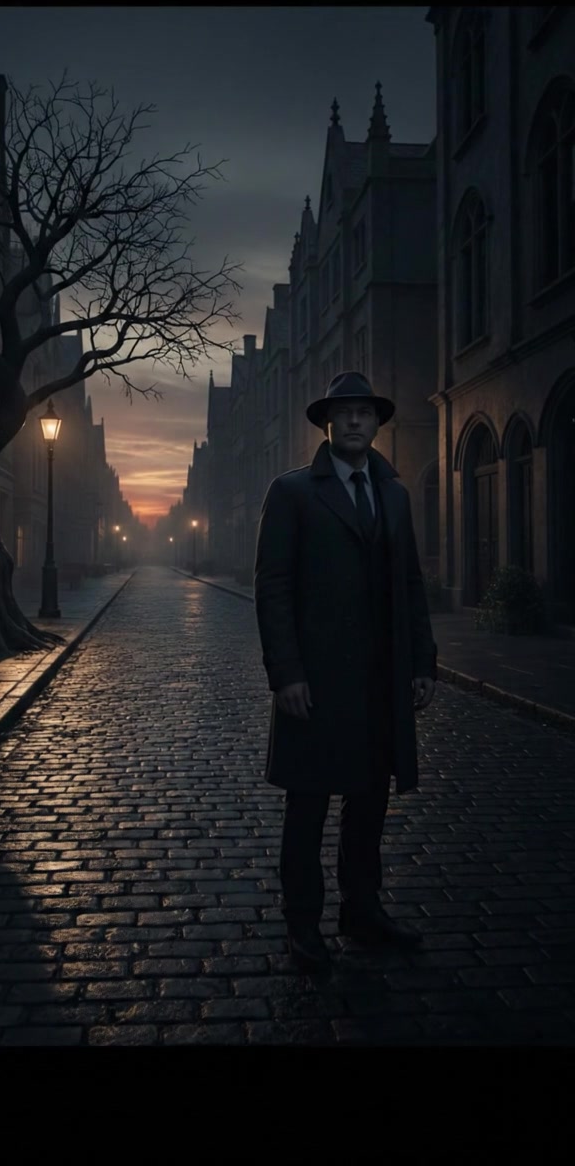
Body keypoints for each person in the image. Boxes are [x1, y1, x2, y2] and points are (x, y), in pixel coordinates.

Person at [253, 371, 437, 974]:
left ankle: (362, 910)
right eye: (345, 412)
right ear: (328, 423)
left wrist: (422, 662)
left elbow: (410, 582)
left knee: (369, 803)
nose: (356, 421)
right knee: (308, 807)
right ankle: (302, 924)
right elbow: (273, 588)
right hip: (317, 679)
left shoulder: (395, 495)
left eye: (365, 412)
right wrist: (287, 674)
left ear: (377, 422)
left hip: (379, 680)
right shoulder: (294, 492)